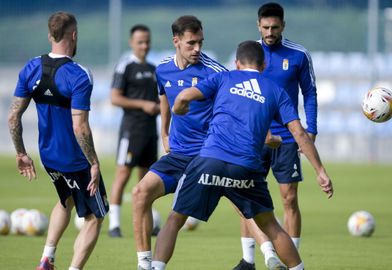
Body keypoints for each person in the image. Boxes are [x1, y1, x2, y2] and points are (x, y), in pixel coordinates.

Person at [151, 40, 333, 270]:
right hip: (245, 167)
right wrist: (320, 172)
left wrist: (178, 108)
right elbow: (299, 133)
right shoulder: (276, 91)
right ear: (264, 65)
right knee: (270, 225)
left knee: (175, 219)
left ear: (237, 64)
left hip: (210, 161)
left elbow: (184, 96)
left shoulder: (224, 78)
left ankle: (155, 267)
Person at [7, 11, 108, 270]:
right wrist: (94, 163)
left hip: (48, 156)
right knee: (96, 216)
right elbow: (80, 126)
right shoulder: (79, 75)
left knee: (66, 200)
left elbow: (13, 117)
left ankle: (46, 260)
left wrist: (21, 153)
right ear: (73, 35)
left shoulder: (30, 68)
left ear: (50, 35)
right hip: (75, 159)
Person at [131, 15, 227, 270]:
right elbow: (164, 98)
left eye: (200, 43)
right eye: (191, 43)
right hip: (179, 155)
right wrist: (164, 132)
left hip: (208, 156)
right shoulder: (162, 69)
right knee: (140, 194)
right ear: (176, 41)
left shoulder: (215, 72)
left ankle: (267, 255)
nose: (197, 49)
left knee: (247, 208)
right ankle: (144, 264)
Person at [234, 3, 319, 269]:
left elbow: (310, 93)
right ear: (258, 25)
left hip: (287, 138)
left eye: (275, 27)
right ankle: (248, 261)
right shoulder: (249, 55)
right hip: (254, 137)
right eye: (266, 27)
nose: (270, 32)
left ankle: (292, 257)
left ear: (283, 26)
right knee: (246, 195)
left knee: (289, 198)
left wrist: (311, 129)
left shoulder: (298, 55)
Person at [108, 24, 160, 238]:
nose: (144, 45)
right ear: (131, 43)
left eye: (147, 41)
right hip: (131, 130)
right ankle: (114, 224)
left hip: (150, 131)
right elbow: (115, 98)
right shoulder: (125, 66)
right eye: (140, 42)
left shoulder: (153, 68)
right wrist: (143, 105)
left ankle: (146, 222)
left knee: (146, 180)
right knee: (123, 174)